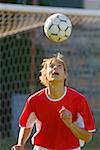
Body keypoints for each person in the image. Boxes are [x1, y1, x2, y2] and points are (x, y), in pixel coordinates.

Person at [11, 53, 96, 150]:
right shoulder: (34, 100)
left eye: (59, 66)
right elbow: (26, 126)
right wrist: (20, 144)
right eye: (51, 66)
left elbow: (88, 137)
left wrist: (70, 124)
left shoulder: (79, 100)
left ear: (65, 75)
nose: (55, 68)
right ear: (45, 75)